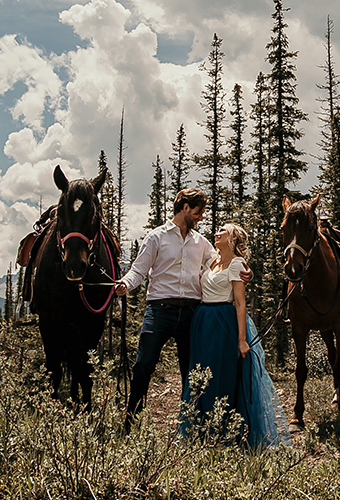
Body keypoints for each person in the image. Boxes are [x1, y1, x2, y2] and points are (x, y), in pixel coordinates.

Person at [114, 188, 211, 429]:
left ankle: (189, 426)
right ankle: (131, 422)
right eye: (198, 212)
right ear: (185, 207)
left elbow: (219, 263)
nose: (201, 217)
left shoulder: (201, 243)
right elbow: (139, 269)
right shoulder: (156, 237)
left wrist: (241, 271)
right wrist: (126, 283)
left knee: (191, 370)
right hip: (159, 311)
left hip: (191, 313)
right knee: (144, 365)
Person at [182, 222, 283, 448]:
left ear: (234, 239)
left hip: (223, 322)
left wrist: (241, 339)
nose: (217, 233)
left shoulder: (237, 264)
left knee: (220, 374)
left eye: (222, 231)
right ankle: (200, 427)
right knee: (200, 372)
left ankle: (223, 430)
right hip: (203, 322)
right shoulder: (212, 260)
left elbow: (240, 302)